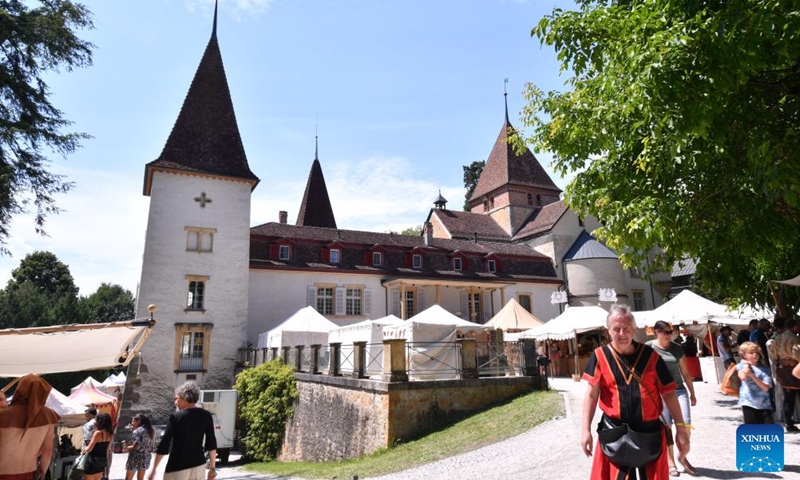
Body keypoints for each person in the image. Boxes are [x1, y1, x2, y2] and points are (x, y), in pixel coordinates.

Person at [581, 305, 690, 480]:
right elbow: (592, 394)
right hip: (615, 432)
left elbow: (669, 393)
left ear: (634, 329)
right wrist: (585, 430)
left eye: (626, 328)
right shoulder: (599, 356)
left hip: (649, 432)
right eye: (617, 329)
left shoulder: (651, 356)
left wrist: (681, 429)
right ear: (608, 330)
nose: (622, 333)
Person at [647, 321, 698, 477]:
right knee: (667, 428)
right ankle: (670, 463)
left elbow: (686, 372)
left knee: (685, 426)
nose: (670, 335)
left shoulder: (677, 348)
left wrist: (692, 392)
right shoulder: (648, 348)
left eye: (671, 332)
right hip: (660, 393)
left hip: (679, 390)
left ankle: (682, 456)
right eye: (666, 332)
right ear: (656, 332)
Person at [148, 382, 217, 480]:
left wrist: (154, 469)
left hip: (177, 467)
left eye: (177, 398)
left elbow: (164, 444)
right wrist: (212, 468)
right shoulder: (206, 415)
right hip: (199, 466)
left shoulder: (176, 417)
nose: (175, 402)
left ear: (184, 397)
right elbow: (211, 443)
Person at [0, 374, 61, 480]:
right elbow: (47, 451)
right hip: (30, 474)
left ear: (20, 389)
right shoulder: (48, 415)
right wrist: (42, 473)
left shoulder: (4, 415)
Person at [767, 317, 800, 433]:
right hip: (795, 369)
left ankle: (789, 423)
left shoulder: (777, 338)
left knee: (788, 399)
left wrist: (782, 360)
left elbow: (773, 354)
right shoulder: (794, 338)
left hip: (783, 370)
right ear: (794, 327)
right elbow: (798, 353)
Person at [736, 342, 774, 424]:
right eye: (751, 353)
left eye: (756, 352)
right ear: (744, 355)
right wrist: (746, 366)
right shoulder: (741, 366)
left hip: (764, 404)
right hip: (749, 404)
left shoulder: (765, 369)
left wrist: (752, 376)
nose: (755, 354)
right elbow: (743, 377)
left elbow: (766, 387)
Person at [82, 412, 113, 480]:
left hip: (92, 461)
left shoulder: (97, 433)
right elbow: (108, 450)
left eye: (96, 420)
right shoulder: (111, 433)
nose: (94, 422)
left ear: (99, 421)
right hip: (102, 461)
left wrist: (84, 449)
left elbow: (89, 449)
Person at [123, 414, 155, 480]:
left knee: (128, 478)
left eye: (133, 421)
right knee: (140, 478)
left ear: (139, 421)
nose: (131, 423)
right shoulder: (149, 430)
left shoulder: (138, 431)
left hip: (135, 458)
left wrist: (126, 448)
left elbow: (137, 446)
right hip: (145, 457)